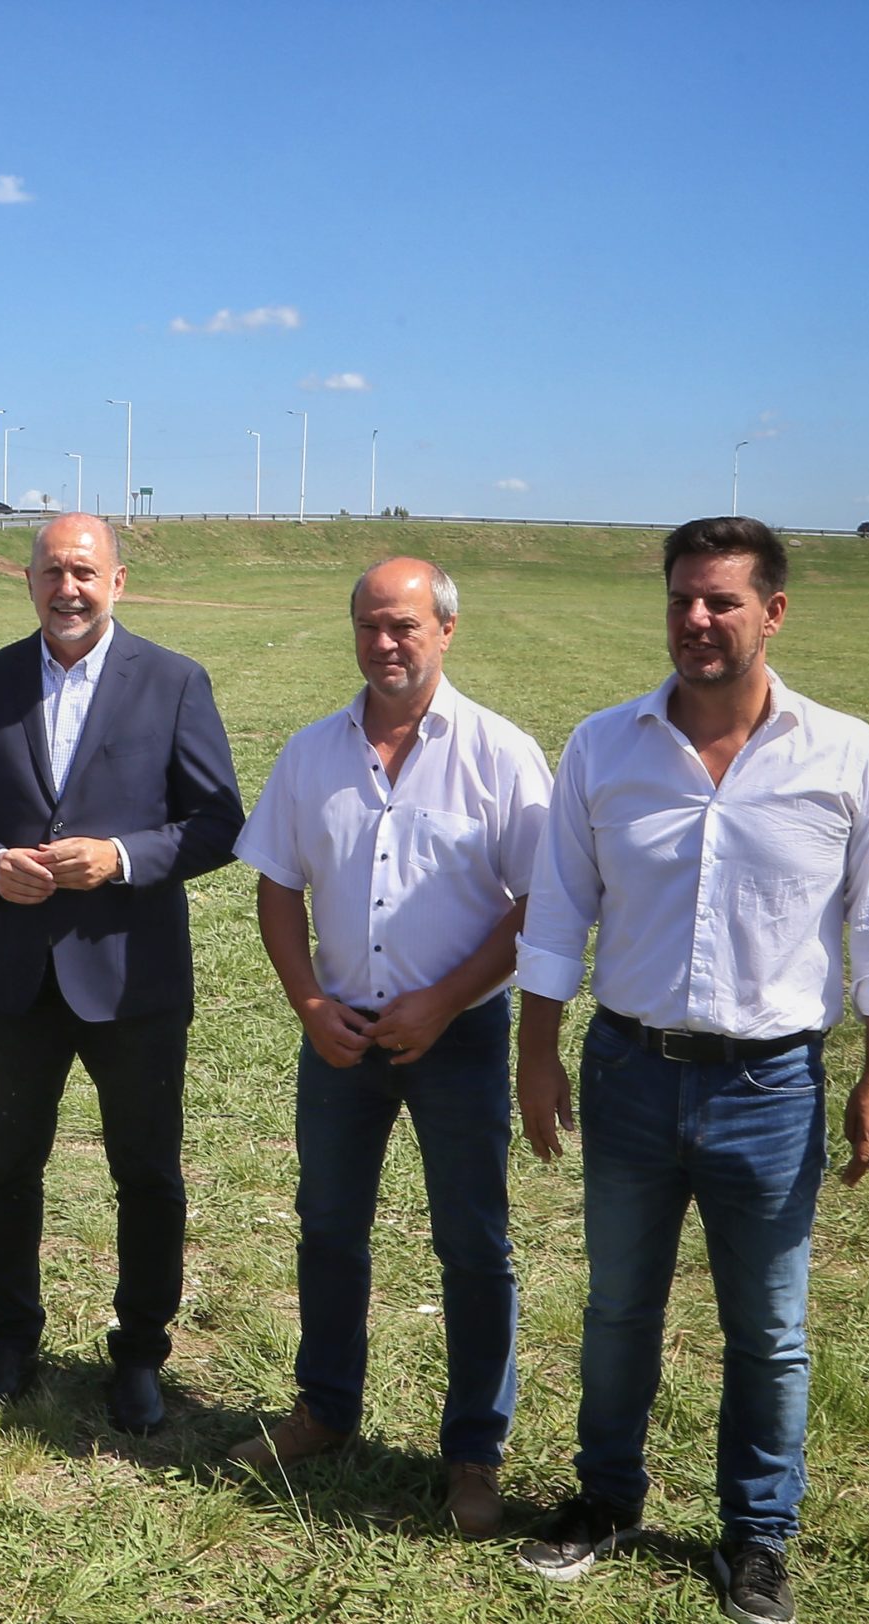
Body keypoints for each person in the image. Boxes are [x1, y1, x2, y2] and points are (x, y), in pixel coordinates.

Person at [513, 516, 869, 1624]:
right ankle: (606, 1498)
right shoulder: (604, 746)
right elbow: (558, 910)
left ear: (772, 613)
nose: (696, 619)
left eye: (721, 601)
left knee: (769, 1332)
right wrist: (537, 1054)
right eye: (681, 599)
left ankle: (756, 1533)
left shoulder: (845, 753)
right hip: (630, 1072)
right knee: (617, 1309)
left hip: (771, 1088)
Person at [223, 558, 552, 1536]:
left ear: (446, 629)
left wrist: (444, 1003)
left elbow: (538, 902)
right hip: (338, 1036)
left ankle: (473, 1452)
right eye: (369, 624)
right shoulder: (311, 754)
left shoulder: (499, 753)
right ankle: (325, 1410)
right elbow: (277, 885)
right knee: (328, 1228)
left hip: (459, 1037)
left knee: (472, 1244)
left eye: (404, 625)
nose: (384, 643)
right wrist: (307, 1004)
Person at [0, 511, 244, 1434]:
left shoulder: (173, 681)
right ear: (28, 581)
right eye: (53, 572)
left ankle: (139, 1353)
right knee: (5, 1167)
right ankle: (10, 1338)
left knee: (147, 1172)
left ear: (117, 581)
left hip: (134, 977)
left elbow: (218, 823)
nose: (69, 589)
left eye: (85, 572)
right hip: (18, 978)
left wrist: (122, 857)